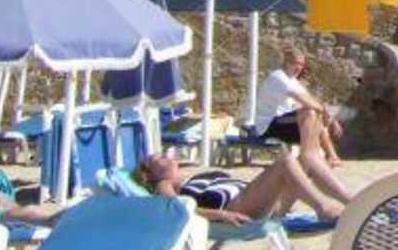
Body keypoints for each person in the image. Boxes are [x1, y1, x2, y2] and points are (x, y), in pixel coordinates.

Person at [131, 147, 353, 223]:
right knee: (285, 161)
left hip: (261, 200)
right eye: (159, 159)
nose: (167, 157)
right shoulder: (164, 184)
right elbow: (179, 209)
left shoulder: (189, 177)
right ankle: (323, 208)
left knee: (307, 157)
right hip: (239, 206)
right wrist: (221, 215)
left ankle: (352, 202)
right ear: (150, 174)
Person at [253, 48, 344, 164]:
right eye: (295, 63)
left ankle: (329, 157)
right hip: (268, 125)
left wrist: (331, 119)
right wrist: (326, 114)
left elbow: (311, 100)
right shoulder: (278, 77)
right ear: (286, 63)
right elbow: (303, 100)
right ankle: (308, 157)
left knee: (315, 117)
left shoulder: (294, 82)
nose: (299, 67)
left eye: (301, 64)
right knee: (309, 113)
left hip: (283, 124)